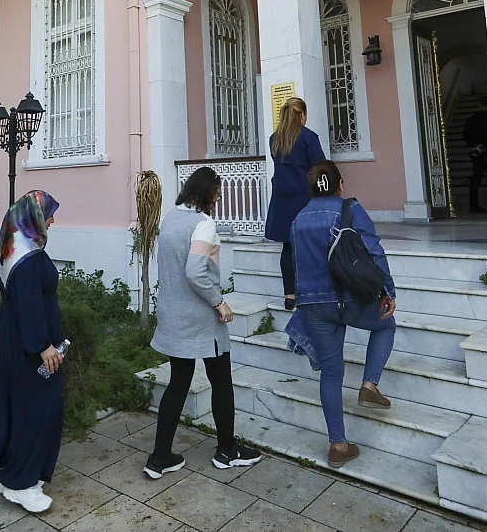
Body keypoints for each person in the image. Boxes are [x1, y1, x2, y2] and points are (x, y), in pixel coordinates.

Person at [145, 167, 261, 480]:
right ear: (206, 192)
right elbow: (196, 271)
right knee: (221, 379)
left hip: (173, 315)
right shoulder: (203, 224)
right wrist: (219, 302)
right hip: (201, 318)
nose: (219, 197)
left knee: (179, 382)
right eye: (217, 193)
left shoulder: (171, 218)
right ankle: (226, 450)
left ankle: (159, 458)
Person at [285, 160, 397, 469]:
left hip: (315, 305)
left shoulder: (298, 219)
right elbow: (374, 251)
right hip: (350, 298)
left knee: (331, 374)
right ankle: (370, 385)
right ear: (340, 184)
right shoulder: (349, 209)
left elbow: (297, 266)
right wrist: (388, 290)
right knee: (386, 326)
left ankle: (338, 445)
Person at [0, 190, 67, 513]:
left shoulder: (21, 249)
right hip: (27, 345)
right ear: (34, 218)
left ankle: (16, 474)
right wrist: (43, 346)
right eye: (50, 214)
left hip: (16, 339)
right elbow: (29, 306)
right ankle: (19, 483)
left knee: (24, 408)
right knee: (37, 411)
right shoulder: (27, 258)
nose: (54, 220)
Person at [264, 97, 326, 311]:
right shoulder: (308, 138)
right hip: (303, 198)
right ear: (302, 115)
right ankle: (311, 292)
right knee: (310, 246)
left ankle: (290, 296)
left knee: (288, 248)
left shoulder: (275, 139)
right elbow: (320, 169)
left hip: (282, 200)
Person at [464, 97, 487, 213]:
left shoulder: (471, 120)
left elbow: (466, 135)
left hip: (477, 152)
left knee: (476, 180)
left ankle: (474, 205)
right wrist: (486, 146)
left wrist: (475, 146)